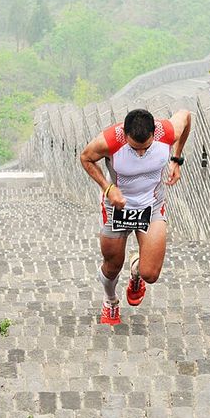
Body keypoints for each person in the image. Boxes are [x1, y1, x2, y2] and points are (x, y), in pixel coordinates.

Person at [79, 108, 192, 325]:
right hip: (118, 208)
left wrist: (176, 158)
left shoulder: (166, 132)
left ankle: (136, 271)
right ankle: (110, 300)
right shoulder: (110, 140)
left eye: (146, 148)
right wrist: (107, 187)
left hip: (152, 205)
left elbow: (186, 115)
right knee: (112, 265)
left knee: (150, 274)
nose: (140, 153)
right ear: (125, 133)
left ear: (154, 134)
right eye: (134, 148)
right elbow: (85, 158)